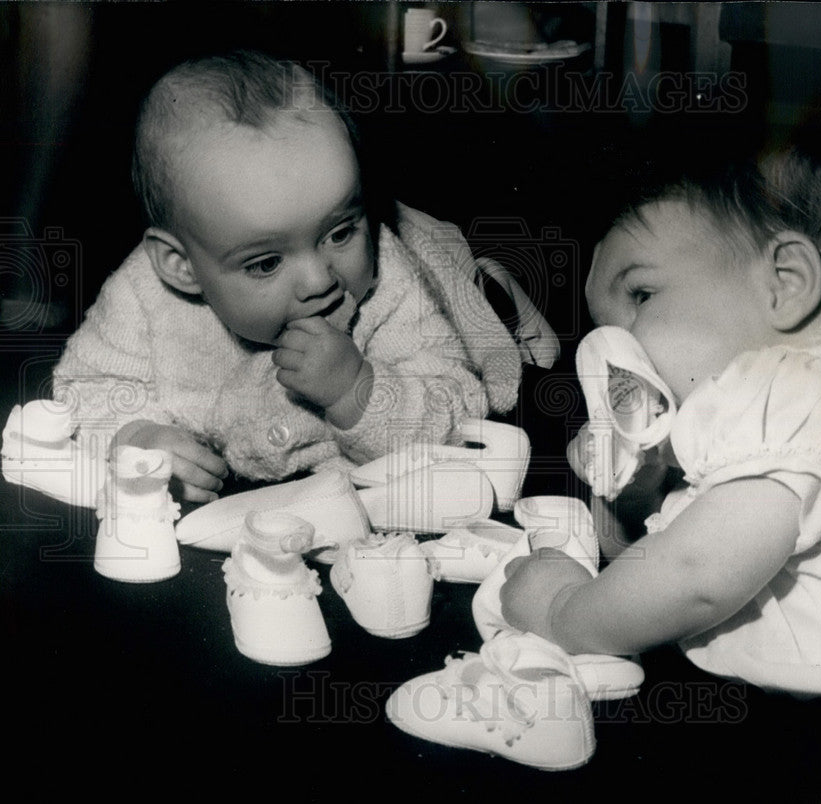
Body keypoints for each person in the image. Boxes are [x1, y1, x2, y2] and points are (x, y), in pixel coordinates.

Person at [499, 144, 821, 801]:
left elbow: (691, 577)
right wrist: (635, 483)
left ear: (785, 284)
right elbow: (650, 560)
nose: (611, 349)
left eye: (642, 295)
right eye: (600, 328)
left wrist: (564, 610)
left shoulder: (796, 377)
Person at [51, 50, 523, 503]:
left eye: (340, 232)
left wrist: (358, 391)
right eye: (266, 263)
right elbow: (84, 393)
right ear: (181, 266)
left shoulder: (388, 285)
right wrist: (137, 438)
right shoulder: (143, 298)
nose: (320, 280)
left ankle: (487, 284)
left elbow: (459, 407)